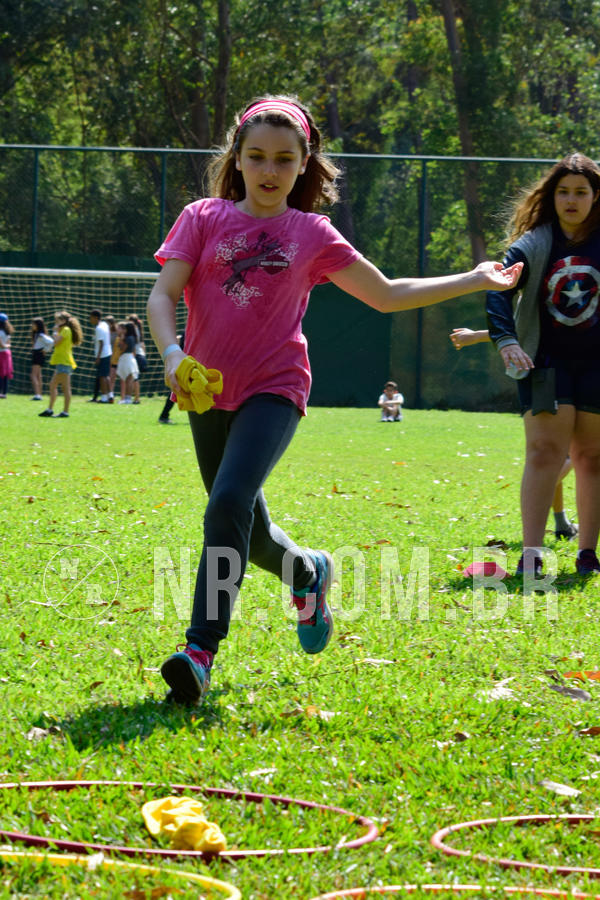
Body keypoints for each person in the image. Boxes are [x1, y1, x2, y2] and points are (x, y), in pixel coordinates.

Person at [147, 94, 522, 705]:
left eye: (284, 159)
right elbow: (163, 296)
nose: (270, 170)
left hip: (275, 387)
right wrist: (172, 355)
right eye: (257, 156)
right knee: (247, 528)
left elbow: (387, 294)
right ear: (237, 158)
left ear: (304, 164)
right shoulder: (202, 217)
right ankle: (307, 572)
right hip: (204, 391)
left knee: (228, 503)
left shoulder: (311, 233)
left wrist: (474, 279)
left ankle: (199, 650)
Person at [486, 152, 600, 576]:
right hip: (545, 363)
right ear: (552, 197)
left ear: (595, 196)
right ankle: (532, 555)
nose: (571, 200)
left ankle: (587, 554)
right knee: (543, 452)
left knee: (591, 457)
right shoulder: (534, 242)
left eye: (581, 192)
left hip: (595, 366)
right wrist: (506, 341)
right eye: (563, 192)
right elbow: (497, 288)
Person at [450, 325, 578, 540]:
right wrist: (477, 336)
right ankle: (543, 506)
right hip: (556, 375)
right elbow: (527, 325)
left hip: (558, 374)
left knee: (557, 455)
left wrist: (477, 336)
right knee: (568, 455)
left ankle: (561, 523)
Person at [38, 310, 83, 418]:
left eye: (57, 320)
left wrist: (55, 332)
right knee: (57, 386)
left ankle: (63, 411)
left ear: (63, 320)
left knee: (63, 387)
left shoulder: (66, 330)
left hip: (64, 362)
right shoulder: (63, 330)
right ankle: (51, 410)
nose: (56, 322)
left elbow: (56, 342)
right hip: (62, 362)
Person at [89, 309, 113, 403]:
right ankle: (110, 396)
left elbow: (101, 343)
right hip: (108, 353)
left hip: (103, 355)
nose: (90, 319)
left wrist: (98, 357)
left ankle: (104, 398)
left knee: (102, 377)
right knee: (106, 376)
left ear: (96, 317)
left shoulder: (99, 328)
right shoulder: (104, 324)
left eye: (91, 317)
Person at [30, 316, 54, 400]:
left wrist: (46, 349)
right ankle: (39, 394)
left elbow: (51, 342)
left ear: (38, 325)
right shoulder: (37, 334)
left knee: (33, 375)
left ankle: (37, 395)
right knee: (38, 375)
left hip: (38, 355)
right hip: (38, 354)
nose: (32, 326)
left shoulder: (40, 335)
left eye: (33, 324)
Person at [115, 320, 139, 404]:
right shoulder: (132, 337)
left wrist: (121, 340)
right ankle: (127, 398)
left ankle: (127, 399)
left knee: (128, 380)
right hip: (129, 358)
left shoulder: (128, 338)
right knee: (128, 379)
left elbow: (122, 348)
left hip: (126, 358)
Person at [0, 313, 14, 399]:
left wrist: (3, 345)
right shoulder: (7, 332)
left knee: (1, 373)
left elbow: (1, 345)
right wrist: (5, 346)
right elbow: (9, 345)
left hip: (1, 354)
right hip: (7, 353)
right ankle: (4, 393)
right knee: (5, 374)